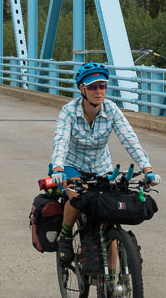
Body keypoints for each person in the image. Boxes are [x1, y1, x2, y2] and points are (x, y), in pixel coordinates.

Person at [50, 61, 159, 266]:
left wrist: (148, 169)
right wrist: (57, 168)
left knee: (112, 210)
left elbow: (130, 139)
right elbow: (61, 141)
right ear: (81, 89)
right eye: (92, 86)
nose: (98, 91)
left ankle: (112, 283)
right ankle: (65, 236)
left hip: (101, 167)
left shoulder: (111, 110)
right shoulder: (68, 111)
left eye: (102, 86)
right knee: (77, 196)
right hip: (70, 164)